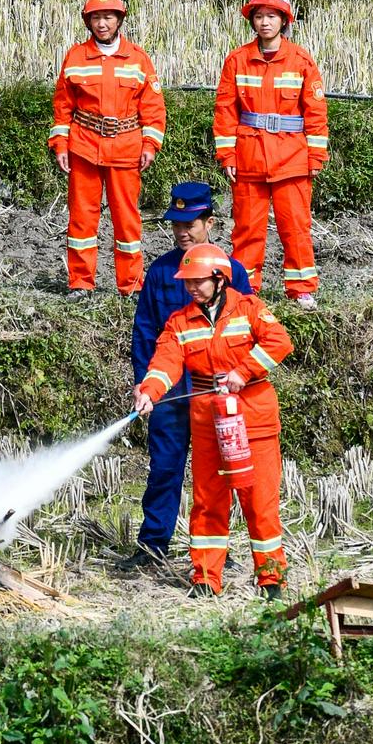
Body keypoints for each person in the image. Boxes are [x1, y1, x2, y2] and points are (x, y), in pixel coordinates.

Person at [133, 243, 293, 598]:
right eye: (188, 281)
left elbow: (279, 342)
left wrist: (243, 371)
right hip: (207, 419)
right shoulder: (180, 321)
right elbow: (165, 362)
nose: (191, 288)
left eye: (198, 281)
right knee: (208, 501)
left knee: (259, 501)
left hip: (253, 418)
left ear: (219, 279)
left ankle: (272, 580)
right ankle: (206, 577)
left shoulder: (249, 309)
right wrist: (150, 392)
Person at [130, 182, 255, 567]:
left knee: (217, 475)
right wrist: (148, 387)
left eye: (191, 223)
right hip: (169, 395)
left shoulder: (230, 271)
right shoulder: (161, 272)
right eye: (176, 224)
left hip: (215, 397)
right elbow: (146, 333)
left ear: (210, 223)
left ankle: (216, 551)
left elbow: (247, 329)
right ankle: (153, 545)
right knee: (164, 468)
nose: (182, 231)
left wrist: (237, 379)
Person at [214, 0, 328, 304]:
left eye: (271, 16)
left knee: (296, 228)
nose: (264, 22)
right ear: (252, 20)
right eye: (259, 16)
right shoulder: (236, 61)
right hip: (249, 158)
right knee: (247, 230)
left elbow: (316, 112)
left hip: (292, 159)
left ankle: (302, 290)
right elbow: (225, 111)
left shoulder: (301, 61)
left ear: (284, 20)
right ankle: (244, 293)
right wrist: (227, 155)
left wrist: (316, 156)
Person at [50, 0, 165, 295]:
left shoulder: (139, 59)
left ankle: (131, 285)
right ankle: (80, 283)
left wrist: (150, 145)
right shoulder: (75, 57)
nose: (102, 24)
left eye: (108, 17)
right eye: (96, 18)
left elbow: (153, 109)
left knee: (127, 221)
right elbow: (62, 107)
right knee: (81, 220)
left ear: (119, 20)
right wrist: (60, 145)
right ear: (88, 22)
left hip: (126, 150)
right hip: (84, 148)